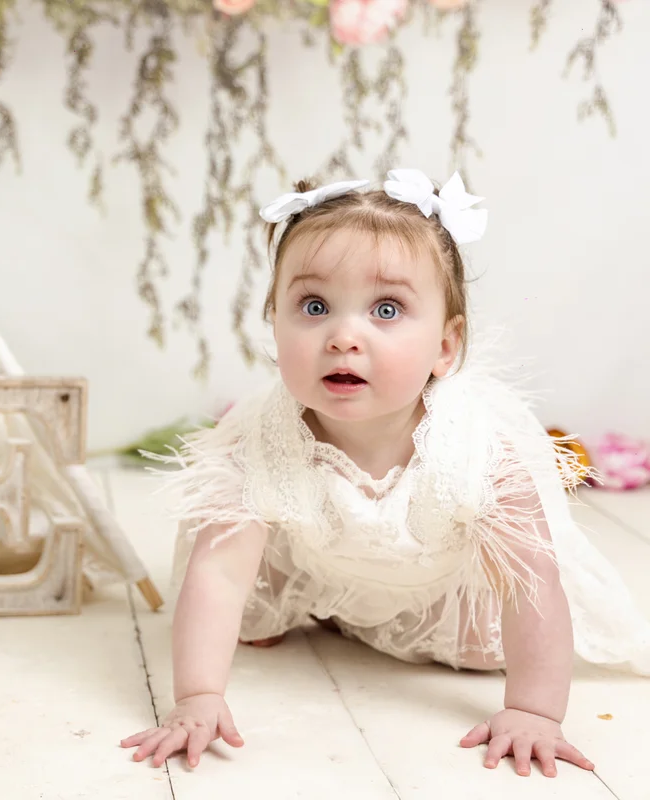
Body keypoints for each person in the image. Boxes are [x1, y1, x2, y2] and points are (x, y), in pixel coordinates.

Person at [119, 169, 650, 778]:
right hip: (333, 555)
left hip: (443, 585)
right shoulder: (261, 440)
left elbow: (529, 583)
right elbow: (217, 574)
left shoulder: (477, 451)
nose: (344, 336)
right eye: (313, 306)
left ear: (445, 348)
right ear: (274, 323)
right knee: (243, 584)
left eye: (387, 309)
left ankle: (368, 615)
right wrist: (198, 695)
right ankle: (327, 604)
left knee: (481, 651)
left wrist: (535, 711)